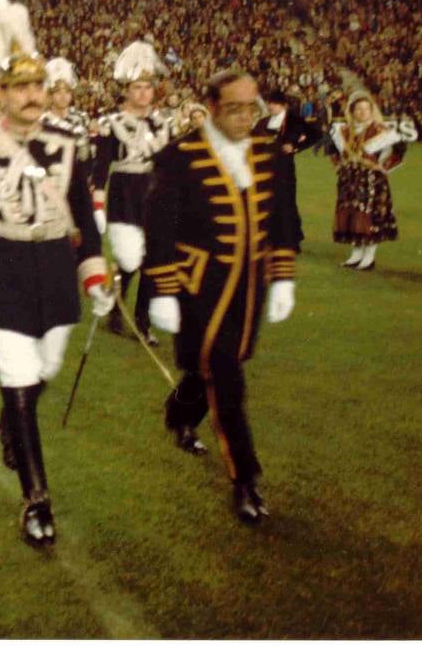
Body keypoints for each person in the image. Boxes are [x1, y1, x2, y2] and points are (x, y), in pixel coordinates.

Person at [0, 0, 113, 548]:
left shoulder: (71, 141)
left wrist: (94, 270)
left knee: (45, 369)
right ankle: (36, 500)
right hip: (1, 266)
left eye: (39, 85)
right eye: (22, 87)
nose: (34, 95)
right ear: (0, 94)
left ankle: (11, 417)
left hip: (54, 271)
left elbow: (85, 217)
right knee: (18, 379)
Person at [142, 68, 297, 525]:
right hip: (198, 287)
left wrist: (284, 275)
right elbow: (161, 227)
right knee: (226, 377)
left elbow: (283, 217)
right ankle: (245, 480)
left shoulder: (271, 155)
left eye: (252, 107)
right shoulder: (180, 157)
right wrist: (164, 290)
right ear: (211, 108)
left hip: (250, 288)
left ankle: (178, 414)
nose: (245, 116)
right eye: (234, 108)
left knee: (211, 366)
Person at [91, 40, 174, 345]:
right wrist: (97, 204)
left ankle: (142, 322)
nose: (142, 93)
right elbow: (100, 168)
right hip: (124, 194)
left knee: (152, 260)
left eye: (147, 87)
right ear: (127, 89)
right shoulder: (111, 125)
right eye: (136, 87)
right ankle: (115, 306)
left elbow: (169, 164)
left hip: (154, 194)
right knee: (129, 261)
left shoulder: (163, 123)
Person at [326, 90, 406, 271]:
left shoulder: (380, 130)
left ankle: (369, 257)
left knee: (368, 216)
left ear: (372, 110)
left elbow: (399, 148)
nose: (363, 112)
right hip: (349, 180)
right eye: (359, 109)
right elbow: (332, 149)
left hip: (371, 180)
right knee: (351, 214)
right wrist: (339, 165)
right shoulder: (345, 131)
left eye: (366, 109)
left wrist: (383, 166)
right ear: (352, 111)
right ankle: (356, 254)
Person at [253, 89, 322, 252]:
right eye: (269, 103)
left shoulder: (294, 120)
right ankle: (270, 240)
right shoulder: (263, 122)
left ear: (283, 105)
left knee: (286, 203)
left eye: (274, 104)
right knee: (267, 203)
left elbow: (316, 134)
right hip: (264, 169)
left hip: (284, 169)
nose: (270, 106)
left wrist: (296, 147)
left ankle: (291, 241)